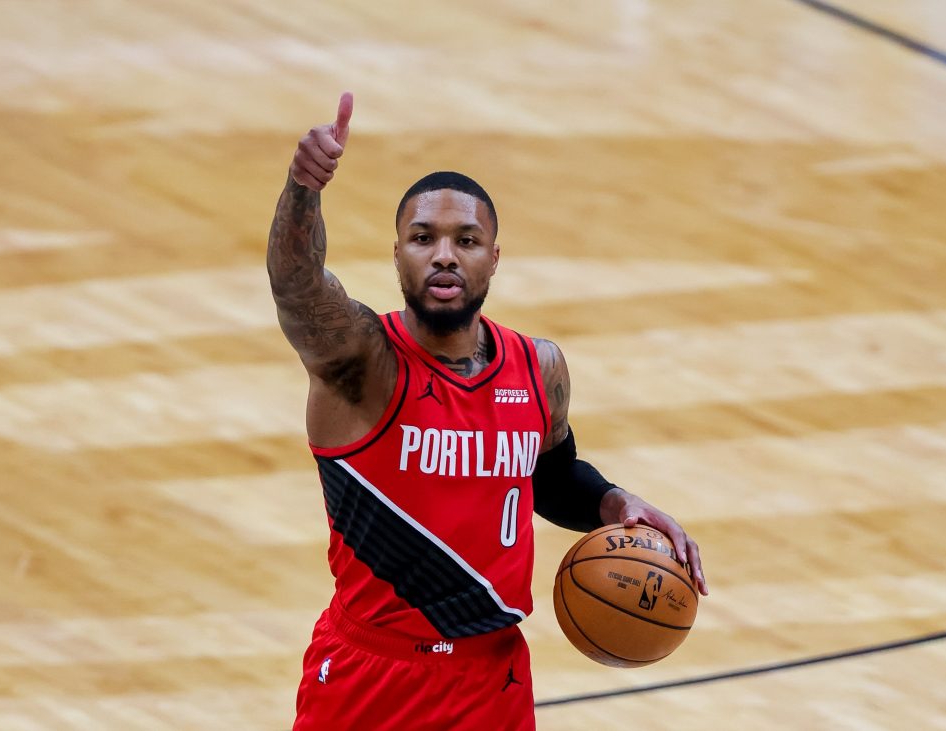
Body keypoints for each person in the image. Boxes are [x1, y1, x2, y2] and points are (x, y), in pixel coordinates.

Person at [268, 92, 708, 731]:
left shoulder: (539, 367)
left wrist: (616, 505)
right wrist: (304, 187)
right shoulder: (361, 363)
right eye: (423, 238)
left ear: (492, 258)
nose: (444, 254)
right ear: (398, 256)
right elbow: (296, 284)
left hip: (490, 679)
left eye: (466, 240)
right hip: (371, 675)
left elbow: (551, 477)